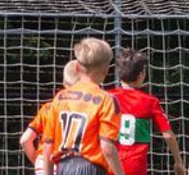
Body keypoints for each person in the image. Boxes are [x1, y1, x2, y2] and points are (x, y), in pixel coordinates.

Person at [27, 38, 126, 175]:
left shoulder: (61, 97)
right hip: (92, 168)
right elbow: (107, 146)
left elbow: (48, 144)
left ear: (77, 67)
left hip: (63, 166)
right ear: (106, 70)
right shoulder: (106, 100)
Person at [109, 49, 187, 175]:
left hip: (109, 162)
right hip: (135, 165)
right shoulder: (150, 101)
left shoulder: (107, 97)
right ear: (141, 74)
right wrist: (178, 162)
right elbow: (168, 134)